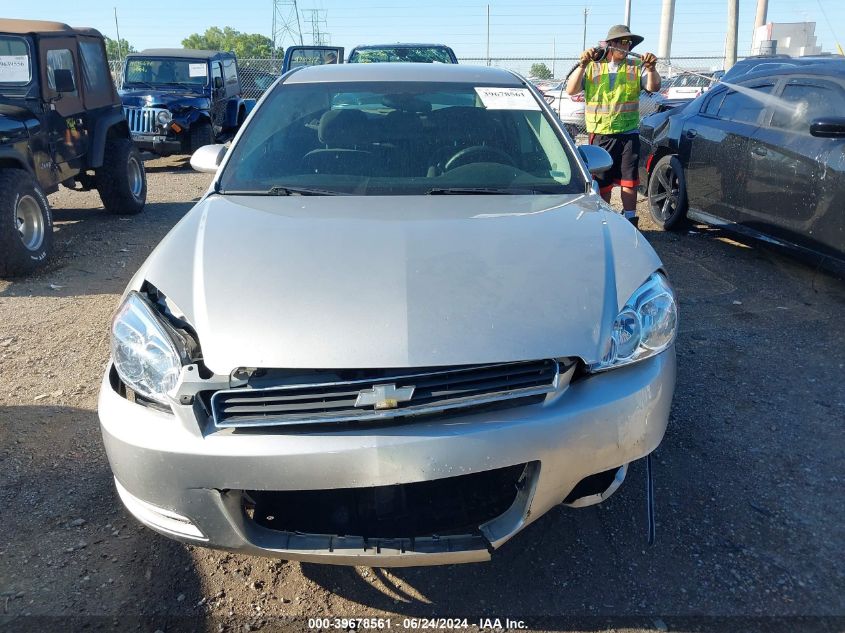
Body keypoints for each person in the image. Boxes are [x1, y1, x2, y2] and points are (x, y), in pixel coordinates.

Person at [566, 24, 660, 227]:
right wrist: (582, 64)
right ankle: (604, 220)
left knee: (629, 180)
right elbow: (571, 90)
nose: (626, 47)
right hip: (601, 135)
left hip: (628, 133)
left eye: (629, 43)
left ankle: (630, 220)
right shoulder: (592, 66)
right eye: (623, 42)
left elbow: (654, 86)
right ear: (610, 45)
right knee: (603, 182)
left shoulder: (636, 66)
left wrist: (652, 69)